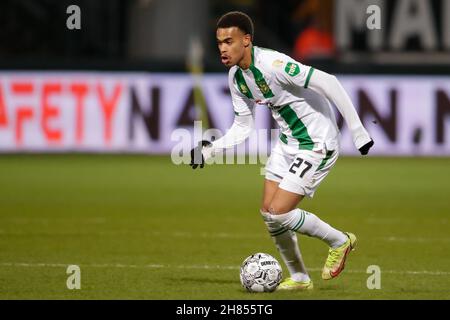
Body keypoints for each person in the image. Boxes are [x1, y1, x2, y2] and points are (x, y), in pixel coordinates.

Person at [190, 11, 374, 290]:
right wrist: (210, 150)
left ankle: (339, 241)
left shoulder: (274, 64)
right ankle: (299, 277)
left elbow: (329, 82)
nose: (223, 48)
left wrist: (358, 131)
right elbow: (242, 126)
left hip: (317, 143)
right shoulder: (236, 78)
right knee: (268, 212)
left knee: (278, 211)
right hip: (288, 143)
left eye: (229, 41)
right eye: (219, 43)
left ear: (247, 40)